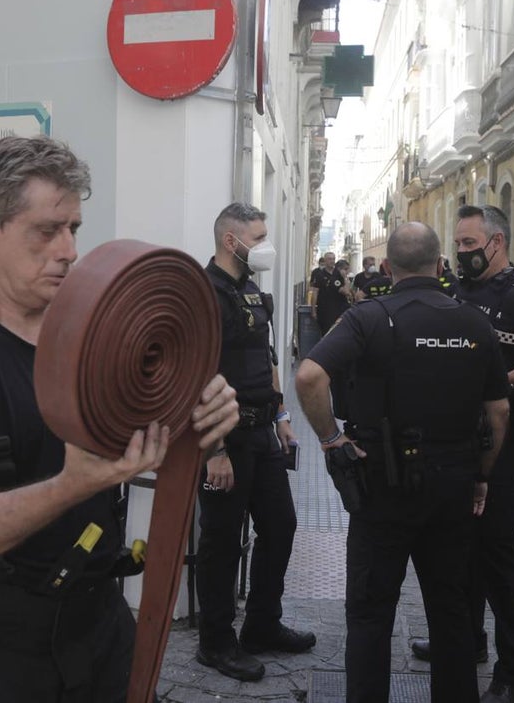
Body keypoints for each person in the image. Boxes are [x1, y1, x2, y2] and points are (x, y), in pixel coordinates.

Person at [0, 135, 239, 703]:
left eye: (74, 228)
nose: (68, 250)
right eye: (47, 231)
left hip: (96, 636)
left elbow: (152, 431)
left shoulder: (99, 336)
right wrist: (71, 486)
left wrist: (201, 408)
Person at [295, 222, 511, 703]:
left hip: (382, 486)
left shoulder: (367, 317)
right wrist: (481, 474)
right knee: (450, 610)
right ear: (440, 267)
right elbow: (498, 411)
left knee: (371, 614)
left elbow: (309, 376)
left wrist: (332, 441)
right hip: (453, 485)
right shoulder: (475, 322)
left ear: (388, 268)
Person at [410, 205, 514, 703]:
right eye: (457, 245)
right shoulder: (461, 291)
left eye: (469, 245)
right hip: (462, 443)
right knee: (463, 549)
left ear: (497, 242)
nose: (460, 253)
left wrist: (504, 382)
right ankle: (468, 645)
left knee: (499, 556)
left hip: (504, 445)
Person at [195, 202, 315, 681]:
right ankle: (216, 642)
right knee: (222, 543)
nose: (265, 245)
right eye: (259, 236)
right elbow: (197, 375)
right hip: (226, 438)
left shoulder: (250, 290)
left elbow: (265, 358)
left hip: (262, 432)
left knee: (280, 525)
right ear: (231, 241)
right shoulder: (204, 294)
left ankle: (262, 624)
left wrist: (283, 415)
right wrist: (214, 450)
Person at [310, 251, 351, 334]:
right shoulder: (319, 275)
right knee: (326, 334)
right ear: (324, 261)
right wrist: (313, 310)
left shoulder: (339, 274)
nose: (332, 261)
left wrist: (345, 278)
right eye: (329, 259)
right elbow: (315, 293)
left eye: (333, 259)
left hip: (340, 309)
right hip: (325, 310)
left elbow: (347, 292)